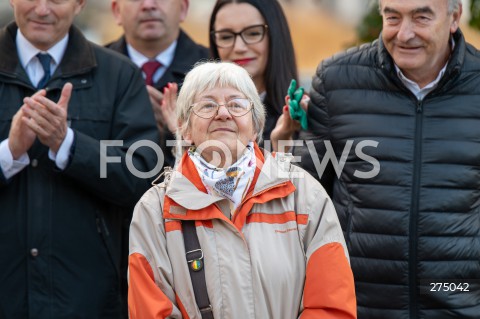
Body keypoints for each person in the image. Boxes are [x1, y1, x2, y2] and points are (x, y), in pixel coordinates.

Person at [127, 61, 356, 318]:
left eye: (236, 104)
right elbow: (151, 310)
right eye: (208, 105)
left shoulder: (304, 195)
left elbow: (331, 305)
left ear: (256, 127)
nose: (223, 113)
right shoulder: (155, 210)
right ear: (185, 129)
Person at [296, 0, 480, 318]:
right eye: (392, 17)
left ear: (454, 18)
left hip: (455, 297)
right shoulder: (337, 82)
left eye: (421, 17)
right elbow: (306, 200)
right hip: (358, 304)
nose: (404, 34)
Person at [0, 0, 159, 318]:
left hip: (88, 298)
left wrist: (68, 145)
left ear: (80, 4)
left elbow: (142, 176)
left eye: (57, 0)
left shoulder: (119, 76)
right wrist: (10, 152)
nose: (42, 10)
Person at [159, 0, 301, 151]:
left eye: (253, 34)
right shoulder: (191, 111)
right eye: (226, 37)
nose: (239, 47)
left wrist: (282, 146)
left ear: (275, 36)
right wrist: (184, 136)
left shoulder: (307, 113)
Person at [108, 0, 209, 167]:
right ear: (117, 11)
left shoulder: (215, 71)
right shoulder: (91, 69)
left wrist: (183, 127)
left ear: (183, 8)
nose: (148, 5)